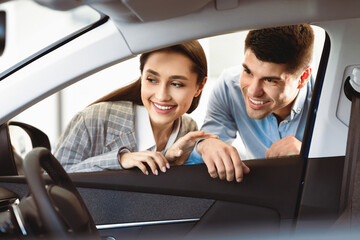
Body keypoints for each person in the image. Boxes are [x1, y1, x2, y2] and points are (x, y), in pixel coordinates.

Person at [54, 40, 216, 174]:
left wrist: (166, 159)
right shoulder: (93, 119)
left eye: (176, 84)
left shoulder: (187, 129)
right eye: (152, 79)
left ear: (199, 87)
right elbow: (50, 180)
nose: (161, 96)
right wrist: (120, 160)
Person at [185, 24, 315, 183]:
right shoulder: (229, 87)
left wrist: (312, 155)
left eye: (269, 80)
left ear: (302, 78)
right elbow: (205, 146)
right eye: (248, 71)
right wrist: (205, 145)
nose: (253, 91)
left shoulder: (331, 99)